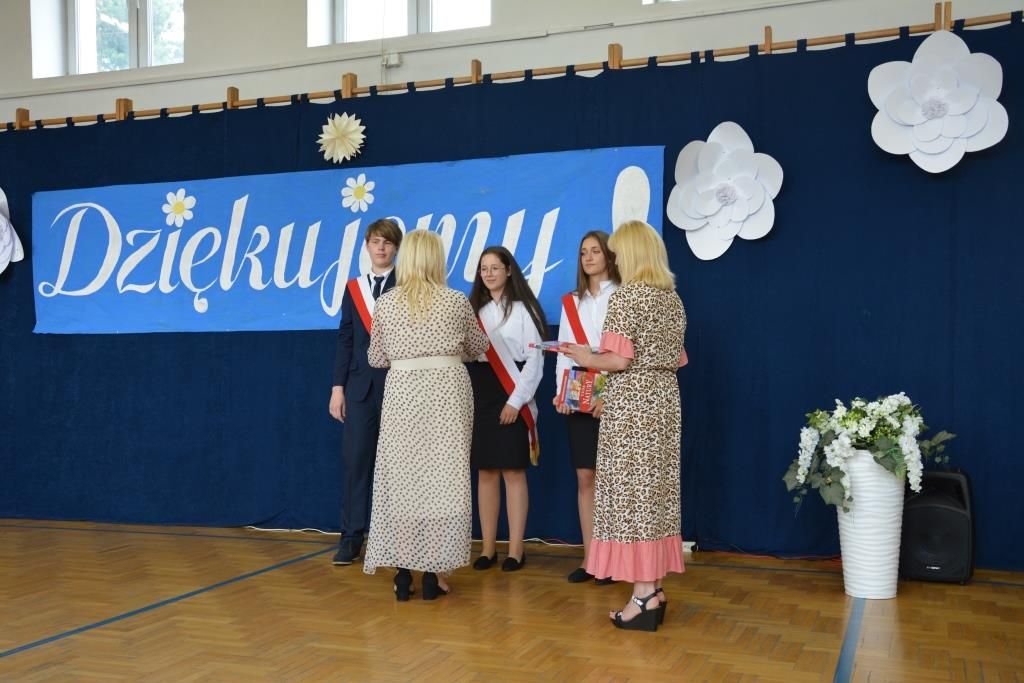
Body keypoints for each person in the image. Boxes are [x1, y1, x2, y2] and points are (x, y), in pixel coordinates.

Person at [563, 220, 688, 632]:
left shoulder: (628, 296)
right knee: (655, 495)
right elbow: (676, 358)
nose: (614, 260)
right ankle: (653, 589)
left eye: (616, 253)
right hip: (664, 402)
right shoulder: (672, 299)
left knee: (631, 496)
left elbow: (618, 360)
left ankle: (643, 595)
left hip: (632, 405)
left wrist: (585, 356)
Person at [362, 230, 489, 600]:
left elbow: (376, 358)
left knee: (403, 483)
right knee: (443, 483)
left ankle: (403, 575)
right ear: (436, 259)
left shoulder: (386, 303)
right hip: (447, 394)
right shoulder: (455, 300)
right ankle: (434, 574)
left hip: (403, 395)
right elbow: (479, 345)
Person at [468, 246, 547, 572]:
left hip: (514, 391)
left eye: (495, 268)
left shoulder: (525, 310)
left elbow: (535, 360)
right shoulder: (473, 310)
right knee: (486, 472)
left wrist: (515, 402)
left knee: (513, 472)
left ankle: (516, 550)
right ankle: (488, 548)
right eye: (483, 268)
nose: (488, 274)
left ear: (509, 270)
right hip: (481, 393)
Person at [328, 218, 402, 566]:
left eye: (387, 242)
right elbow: (345, 339)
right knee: (356, 463)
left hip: (399, 387)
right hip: (358, 390)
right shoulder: (353, 288)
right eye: (375, 242)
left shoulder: (407, 285)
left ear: (396, 247)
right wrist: (337, 388)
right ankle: (351, 537)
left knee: (398, 468)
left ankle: (397, 540)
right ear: (367, 246)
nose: (381, 248)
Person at [553, 230, 621, 585]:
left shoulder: (622, 296)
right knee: (585, 476)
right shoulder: (572, 302)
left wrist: (610, 397)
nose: (589, 257)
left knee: (614, 481)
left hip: (615, 393)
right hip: (580, 392)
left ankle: (618, 560)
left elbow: (626, 354)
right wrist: (562, 393)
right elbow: (565, 351)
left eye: (595, 251)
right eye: (583, 252)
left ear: (609, 256)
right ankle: (591, 558)